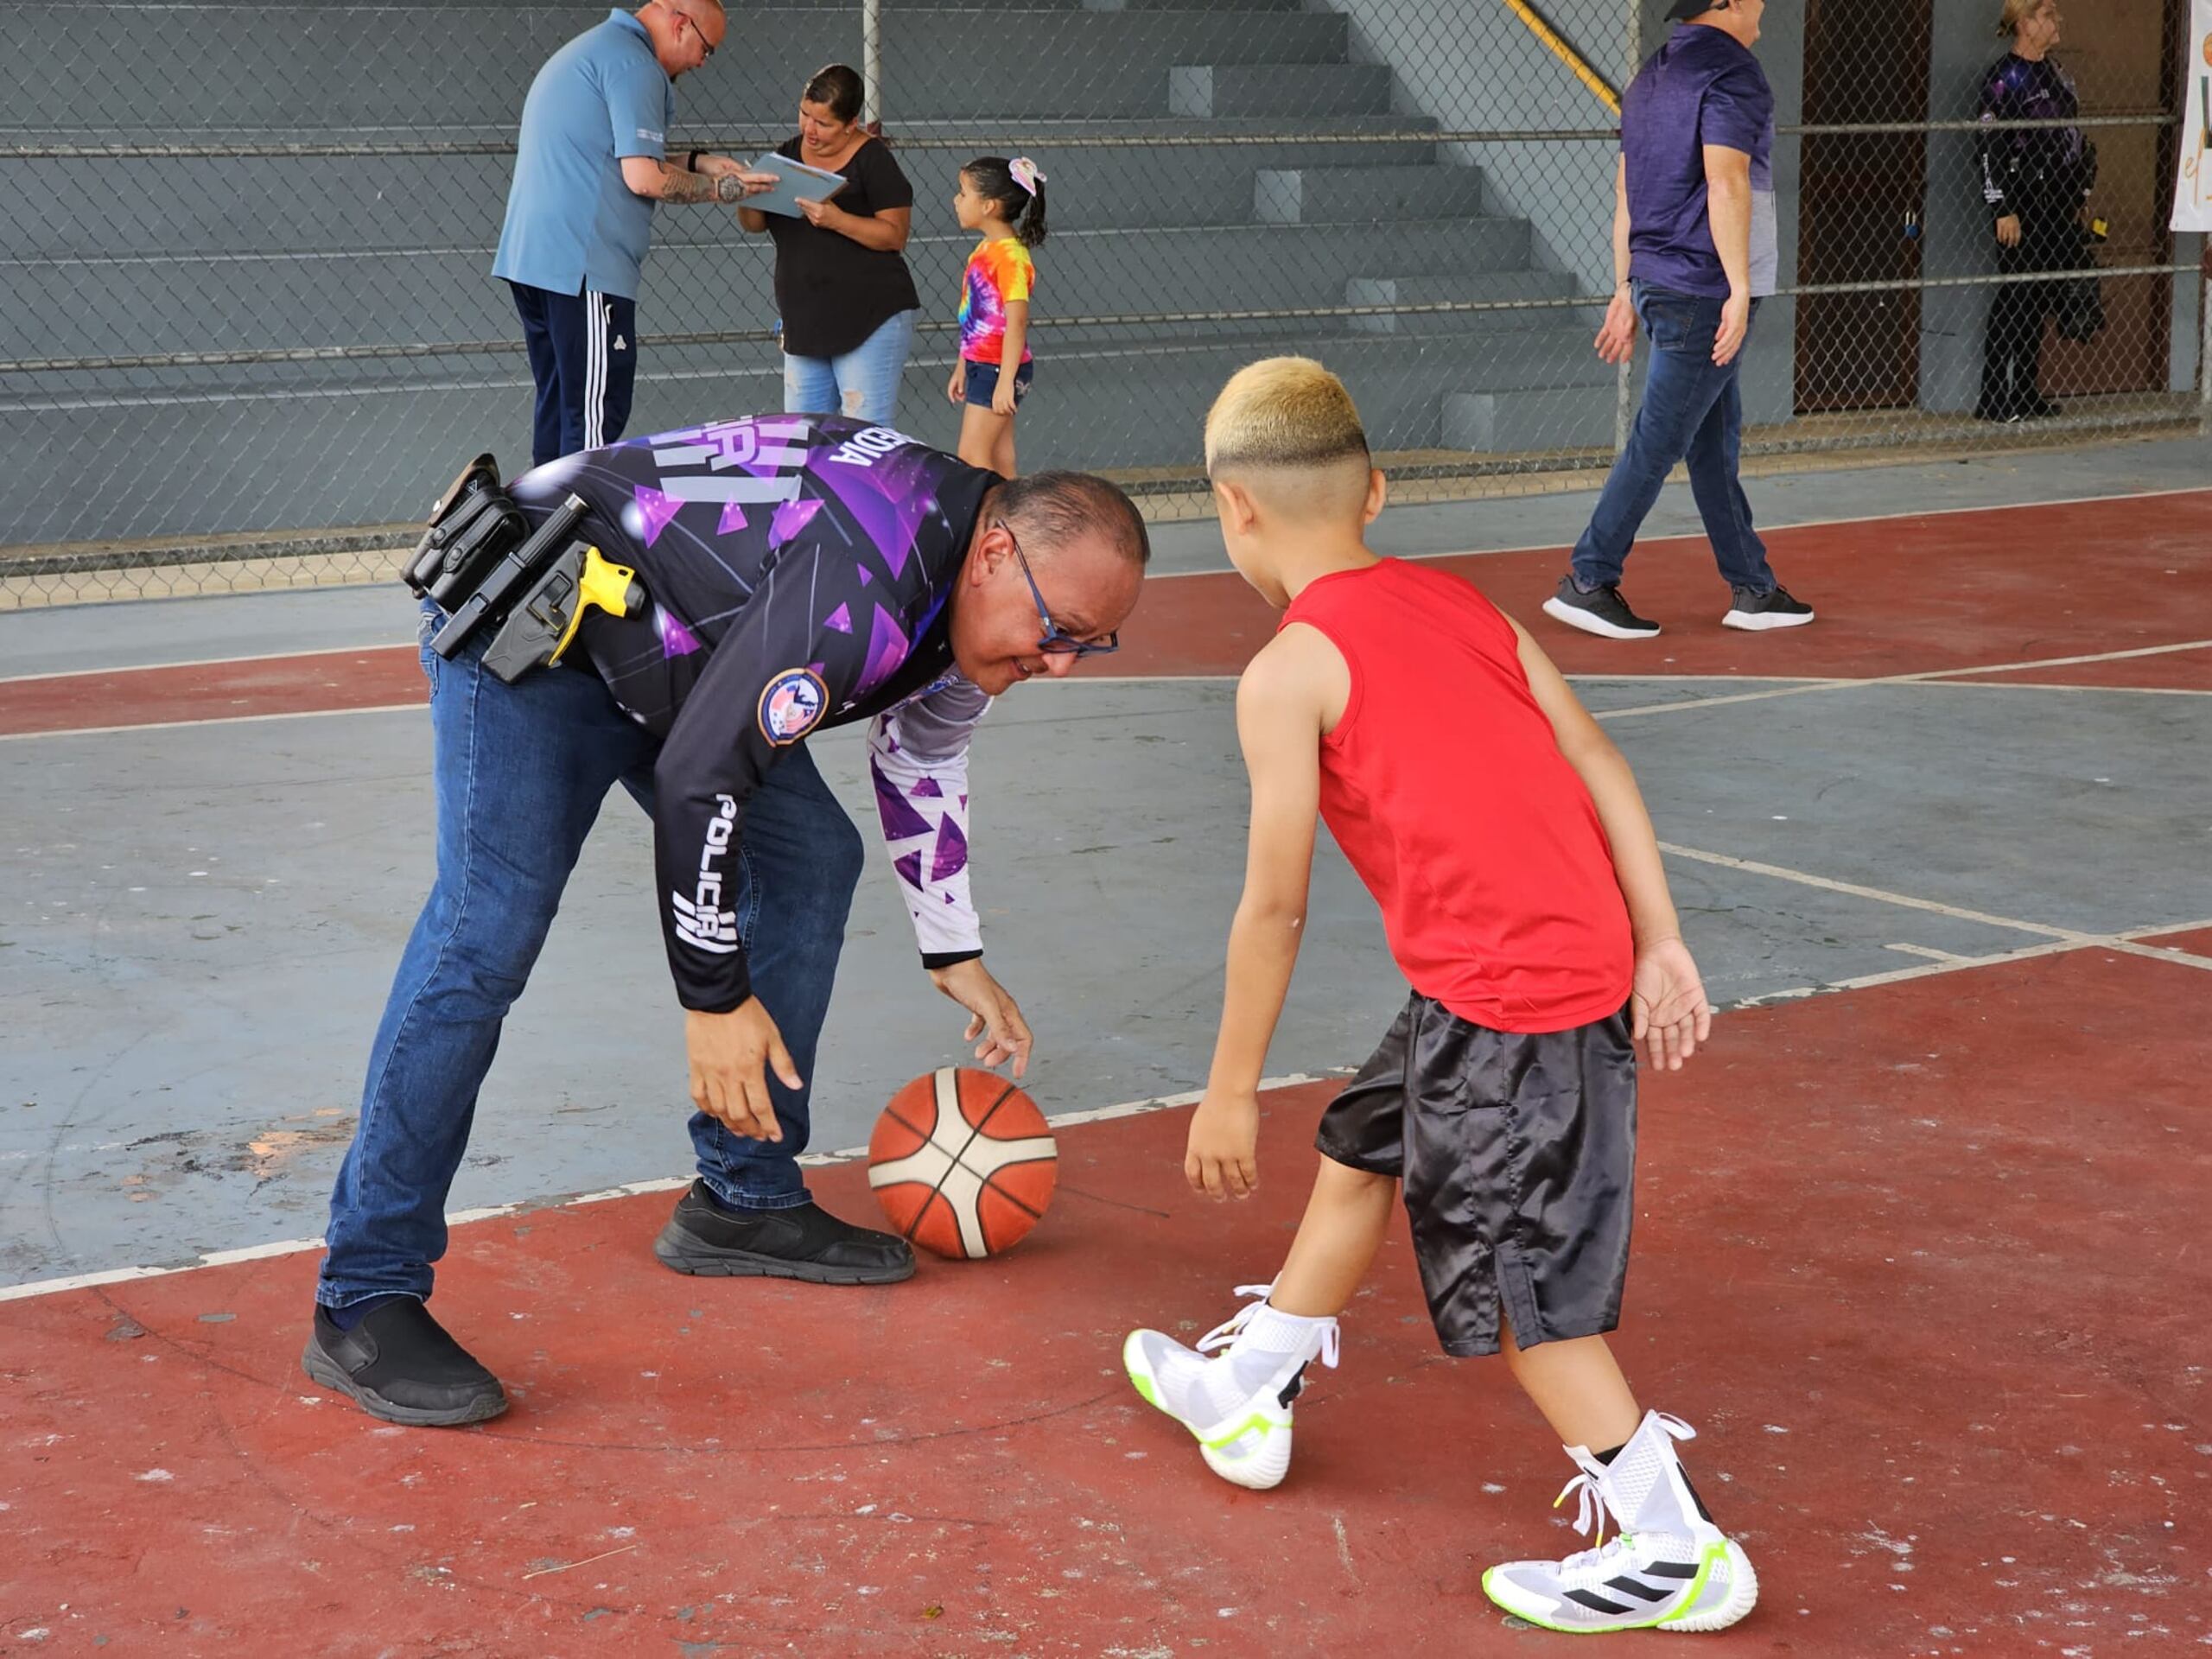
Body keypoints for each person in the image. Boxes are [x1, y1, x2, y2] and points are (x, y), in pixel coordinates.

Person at [306, 413, 1149, 1427]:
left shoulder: (976, 591)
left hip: (672, 657)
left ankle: (740, 1198)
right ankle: (363, 1296)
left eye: (1088, 648)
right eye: (1055, 633)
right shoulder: (868, 577)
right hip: (537, 628)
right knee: (484, 937)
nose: (1057, 665)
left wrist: (952, 945)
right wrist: (714, 1000)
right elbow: (708, 774)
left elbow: (919, 752)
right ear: (999, 551)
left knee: (810, 859)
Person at [1122, 359, 1756, 1635]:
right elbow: (1595, 757)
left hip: (1511, 1006)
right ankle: (1256, 1385)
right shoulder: (1465, 606)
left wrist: (1229, 1091)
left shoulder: (1288, 670)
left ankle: (1672, 1542)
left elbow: (1276, 906)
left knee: (1525, 1296)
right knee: (1370, 1143)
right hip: (1513, 976)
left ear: (1232, 508)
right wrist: (1661, 938)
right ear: (1380, 490)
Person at [1542, 0, 1812, 641]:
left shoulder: (1650, 77)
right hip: (1705, 290)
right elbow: (1727, 183)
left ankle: (1754, 587)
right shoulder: (1733, 74)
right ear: (1728, 3)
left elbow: (1625, 196)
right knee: (1659, 438)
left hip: (1662, 282)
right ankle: (1588, 577)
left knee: (1713, 442)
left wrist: (1624, 287)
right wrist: (1740, 289)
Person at [492, 0, 775, 467]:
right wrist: (724, 188)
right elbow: (643, 177)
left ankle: (544, 535)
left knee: (562, 409)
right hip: (585, 268)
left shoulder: (595, 50)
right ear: (681, 24)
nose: (702, 63)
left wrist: (702, 161)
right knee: (595, 422)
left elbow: (618, 151)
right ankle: (585, 539)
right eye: (707, 49)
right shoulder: (636, 65)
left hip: (537, 262)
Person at [738, 65, 921, 426]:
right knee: (803, 439)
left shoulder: (873, 159)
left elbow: (894, 235)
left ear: (851, 123)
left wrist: (837, 219)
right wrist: (747, 196)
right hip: (805, 319)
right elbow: (754, 225)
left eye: (823, 123)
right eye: (805, 115)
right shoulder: (787, 154)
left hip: (870, 316)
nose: (809, 129)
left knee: (862, 437)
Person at [1975, 0, 2091, 423]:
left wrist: (2082, 183)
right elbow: (1987, 147)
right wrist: (2002, 207)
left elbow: (2074, 136)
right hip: (2021, 204)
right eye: (2045, 15)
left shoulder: (2058, 74)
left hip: (2059, 203)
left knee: (2041, 297)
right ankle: (1992, 396)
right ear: (2024, 24)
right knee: (2015, 294)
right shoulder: (2004, 79)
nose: (2055, 21)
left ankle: (2025, 390)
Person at [946, 156, 1049, 477]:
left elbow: (1015, 323)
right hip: (983, 364)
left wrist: (1005, 381)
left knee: (972, 455)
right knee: (1000, 456)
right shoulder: (983, 251)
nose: (956, 200)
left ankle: (986, 522)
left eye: (963, 193)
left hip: (998, 368)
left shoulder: (1011, 257)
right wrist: (963, 365)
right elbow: (974, 320)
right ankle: (1011, 522)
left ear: (988, 206)